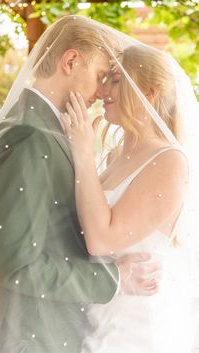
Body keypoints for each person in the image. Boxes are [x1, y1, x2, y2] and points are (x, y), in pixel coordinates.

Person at [0, 16, 162, 353]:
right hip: (34, 338)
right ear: (70, 61)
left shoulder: (50, 130)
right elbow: (19, 265)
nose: (103, 93)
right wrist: (115, 278)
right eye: (101, 77)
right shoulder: (28, 135)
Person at [61, 44, 199, 352]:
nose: (103, 89)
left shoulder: (169, 161)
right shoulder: (112, 158)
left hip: (137, 328)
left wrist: (82, 150)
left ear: (149, 93)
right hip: (98, 313)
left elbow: (100, 239)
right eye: (106, 78)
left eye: (116, 80)